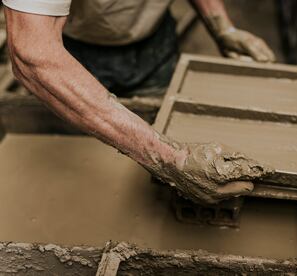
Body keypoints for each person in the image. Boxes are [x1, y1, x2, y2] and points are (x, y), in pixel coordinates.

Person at [2, 0, 275, 204]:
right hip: (72, 52)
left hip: (155, 41)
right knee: (79, 167)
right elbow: (33, 54)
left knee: (167, 131)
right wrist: (168, 158)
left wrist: (220, 24)